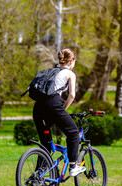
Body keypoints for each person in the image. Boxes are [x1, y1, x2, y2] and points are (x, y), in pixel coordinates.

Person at [33, 49, 86, 177]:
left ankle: (37, 175)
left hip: (38, 107)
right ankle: (73, 166)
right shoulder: (70, 73)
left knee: (45, 143)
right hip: (53, 104)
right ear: (71, 61)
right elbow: (72, 95)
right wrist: (64, 109)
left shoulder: (51, 71)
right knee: (73, 133)